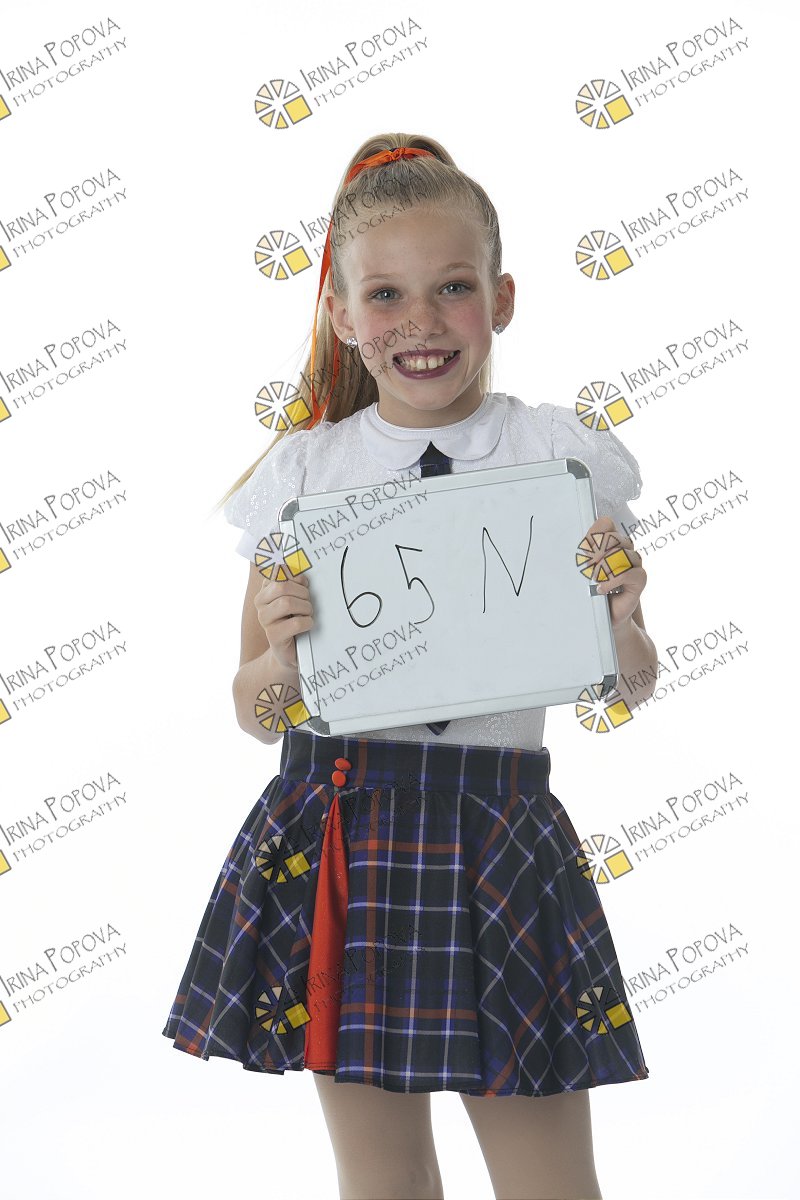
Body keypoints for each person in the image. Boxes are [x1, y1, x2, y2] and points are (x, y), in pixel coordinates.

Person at [161, 132, 656, 1200]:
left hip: (499, 829)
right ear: (343, 315)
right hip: (340, 823)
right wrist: (281, 652)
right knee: (382, 1181)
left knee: (551, 1184)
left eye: (453, 288)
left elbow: (627, 683)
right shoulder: (306, 473)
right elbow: (255, 707)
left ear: (501, 299)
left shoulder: (557, 457)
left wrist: (620, 620)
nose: (420, 322)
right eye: (385, 295)